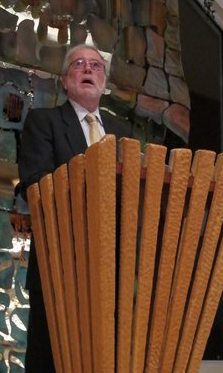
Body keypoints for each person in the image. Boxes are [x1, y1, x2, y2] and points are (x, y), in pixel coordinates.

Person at [18, 44, 132, 372]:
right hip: (60, 267)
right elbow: (36, 185)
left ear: (104, 82)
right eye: (78, 65)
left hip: (111, 271)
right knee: (51, 362)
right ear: (65, 82)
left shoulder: (122, 133)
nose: (87, 70)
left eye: (95, 66)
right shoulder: (44, 122)